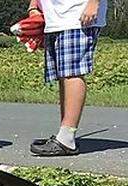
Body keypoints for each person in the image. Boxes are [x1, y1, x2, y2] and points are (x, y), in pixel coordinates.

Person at [28, 0, 107, 156]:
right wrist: (34, 6)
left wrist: (93, 3)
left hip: (76, 15)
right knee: (64, 75)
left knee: (72, 72)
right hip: (57, 17)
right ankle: (64, 134)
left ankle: (66, 139)